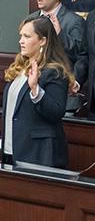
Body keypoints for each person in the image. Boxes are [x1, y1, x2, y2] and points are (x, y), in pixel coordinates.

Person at [2, 17, 74, 167]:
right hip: (11, 150)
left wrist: (35, 89)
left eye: (27, 36)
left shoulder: (54, 71)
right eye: (21, 36)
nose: (21, 41)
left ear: (43, 41)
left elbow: (56, 112)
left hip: (39, 154)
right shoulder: (19, 68)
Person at [28, 0, 86, 113]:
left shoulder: (74, 21)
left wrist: (60, 35)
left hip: (62, 95)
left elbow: (82, 55)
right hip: (32, 91)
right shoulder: (31, 20)